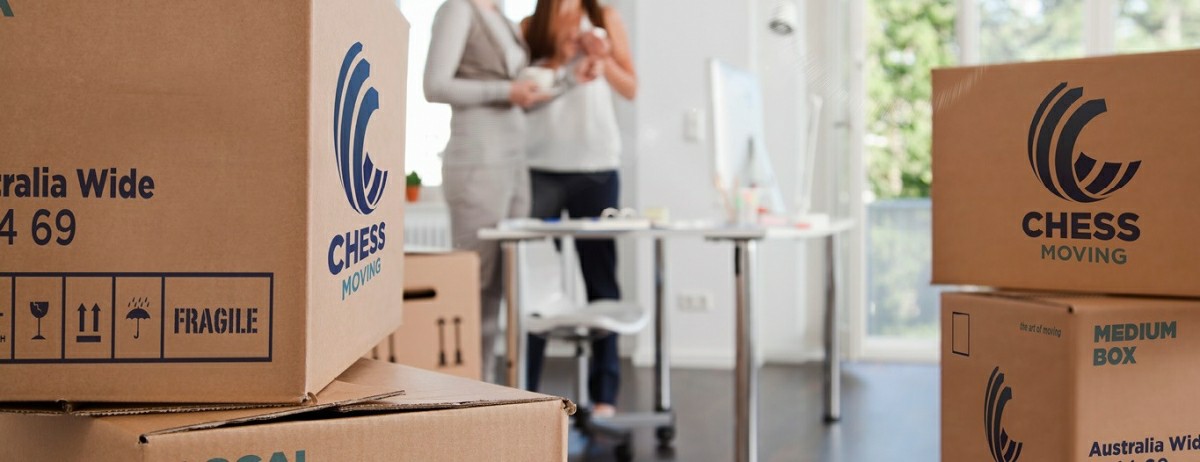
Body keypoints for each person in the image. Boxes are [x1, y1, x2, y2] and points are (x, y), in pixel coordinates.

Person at [521, 0, 637, 418]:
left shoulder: (607, 19)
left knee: (600, 277)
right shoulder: (529, 27)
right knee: (532, 282)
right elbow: (523, 97)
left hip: (596, 168)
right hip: (541, 169)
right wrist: (563, 57)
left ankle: (604, 396)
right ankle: (524, 394)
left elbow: (631, 87)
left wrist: (601, 60)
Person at [424, 0, 549, 383]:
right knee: (476, 283)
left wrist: (575, 76)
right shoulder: (459, 10)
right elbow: (434, 86)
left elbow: (520, 96)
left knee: (502, 282)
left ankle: (490, 388)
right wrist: (505, 90)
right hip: (477, 162)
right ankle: (469, 390)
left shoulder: (504, 20)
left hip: (513, 164)